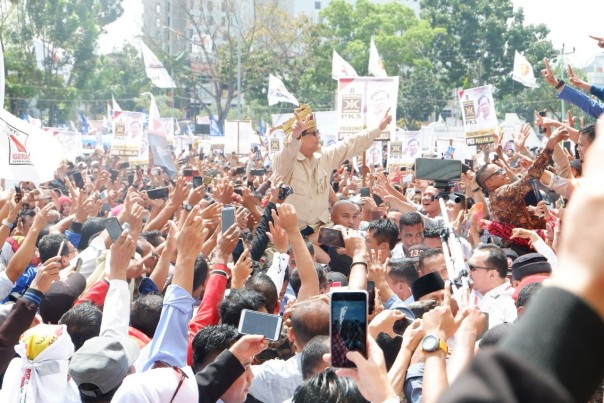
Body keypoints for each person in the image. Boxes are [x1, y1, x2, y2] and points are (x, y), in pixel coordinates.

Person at [272, 103, 392, 232]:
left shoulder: (324, 156)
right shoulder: (283, 161)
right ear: (300, 137)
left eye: (317, 132)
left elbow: (350, 144)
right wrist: (294, 136)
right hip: (292, 233)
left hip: (320, 232)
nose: (318, 137)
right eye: (313, 134)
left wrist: (378, 128)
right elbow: (289, 151)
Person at [474, 126, 567, 230]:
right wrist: (550, 144)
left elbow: (517, 214)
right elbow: (530, 176)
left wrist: (533, 211)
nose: (504, 173)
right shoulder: (501, 193)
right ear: (489, 183)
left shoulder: (496, 197)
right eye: (499, 172)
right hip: (527, 245)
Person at [468, 244, 516, 328]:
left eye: (472, 268)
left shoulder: (507, 302)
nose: (469, 273)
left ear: (492, 275)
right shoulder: (471, 294)